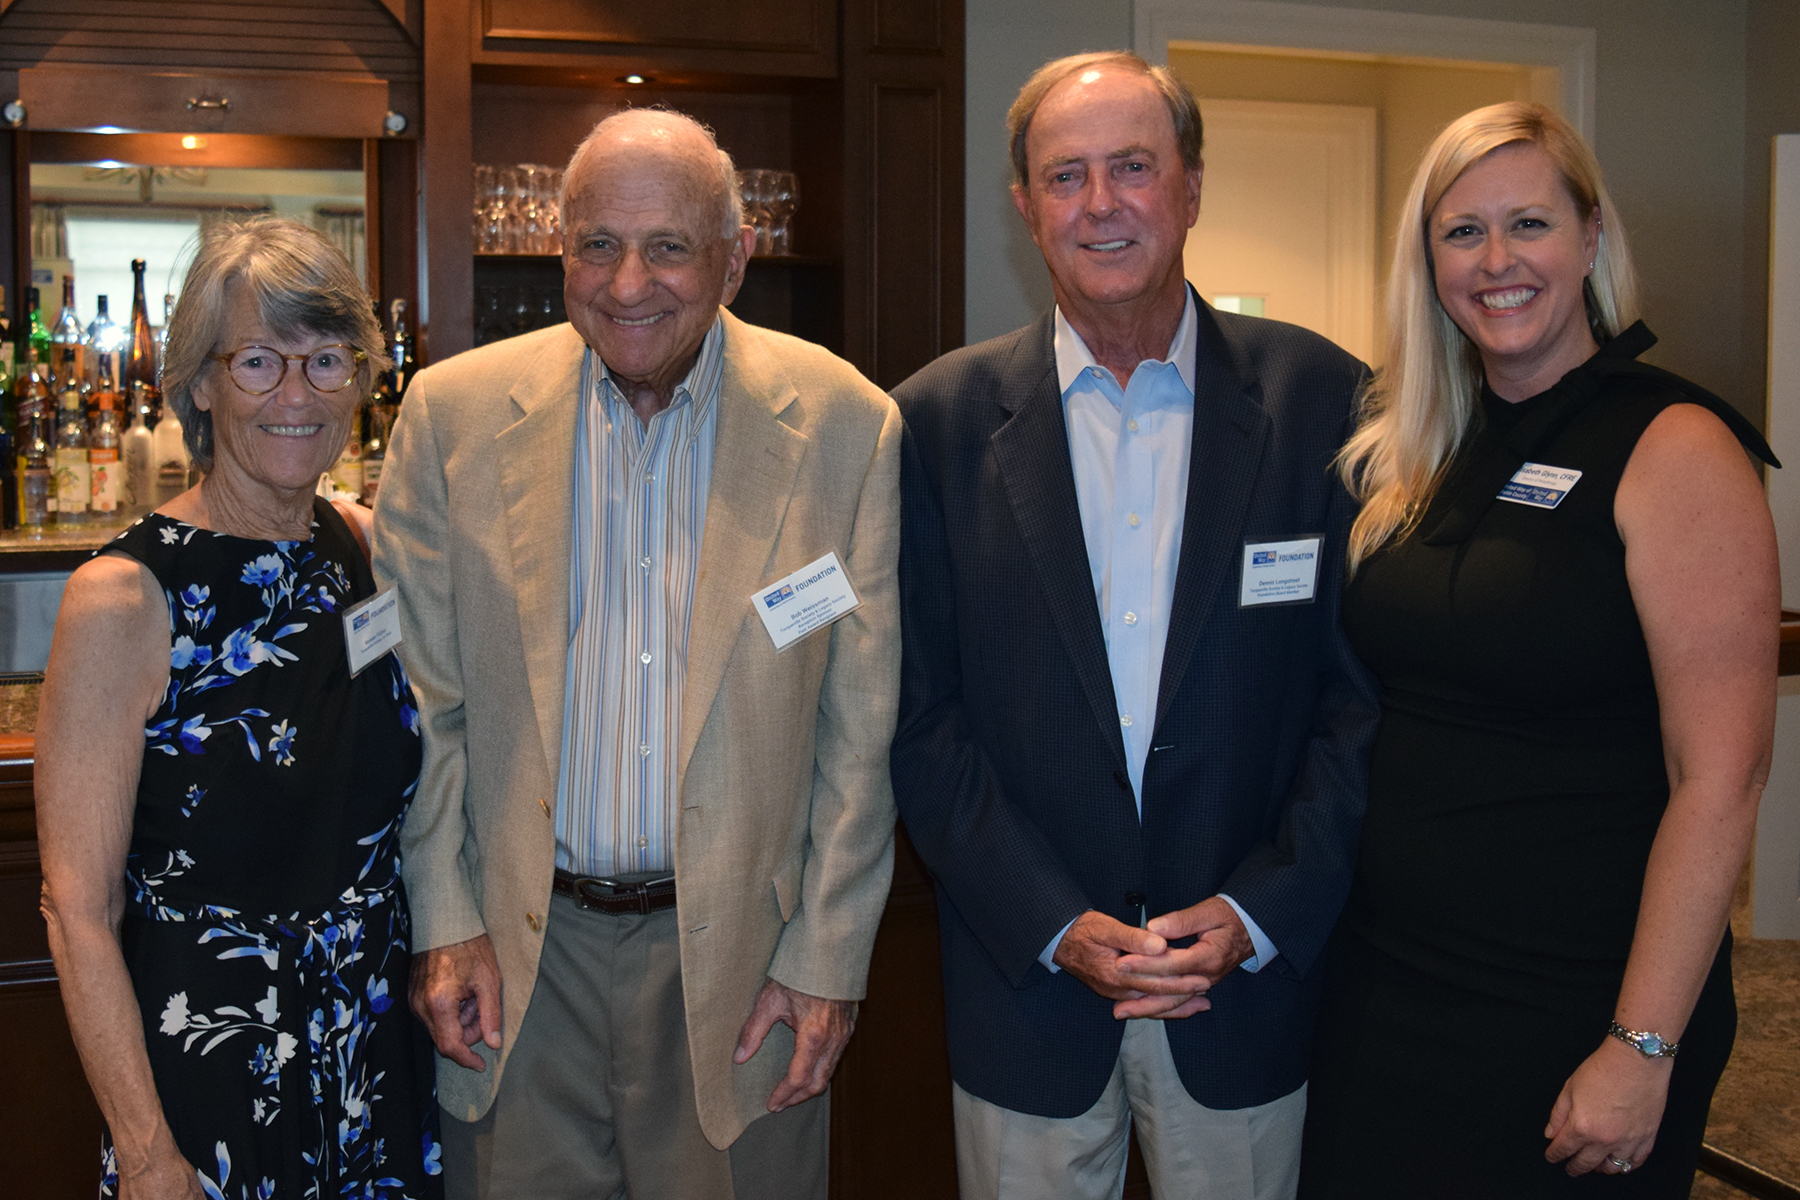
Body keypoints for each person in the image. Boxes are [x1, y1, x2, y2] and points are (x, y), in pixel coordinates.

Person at [372, 107, 901, 1200]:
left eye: (668, 247)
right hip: (520, 965)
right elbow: (423, 700)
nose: (627, 285)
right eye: (597, 245)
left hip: (747, 967)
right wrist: (445, 919)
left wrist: (826, 959)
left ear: (734, 258)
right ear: (558, 248)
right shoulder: (453, 418)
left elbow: (860, 732)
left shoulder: (847, 426)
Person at [889, 51, 1380, 1200]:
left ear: (1192, 187)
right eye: (1066, 176)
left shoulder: (1330, 403)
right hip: (1031, 990)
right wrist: (1053, 920)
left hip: (1247, 989)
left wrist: (1262, 909)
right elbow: (919, 716)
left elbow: (1360, 702)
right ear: (1025, 205)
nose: (1100, 204)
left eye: (1133, 168)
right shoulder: (936, 423)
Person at [1296, 102, 1780, 1198]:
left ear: (1592, 240)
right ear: (1427, 264)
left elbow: (1723, 778)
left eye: (1530, 224)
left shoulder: (1676, 447)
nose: (1497, 260)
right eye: (1461, 232)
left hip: (1579, 1001)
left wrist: (1641, 1045)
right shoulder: (1415, 454)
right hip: (1389, 990)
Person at [35, 216, 441, 1200]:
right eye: (259, 361)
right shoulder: (126, 597)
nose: (296, 395)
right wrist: (144, 1151)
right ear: (201, 384)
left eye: (326, 360)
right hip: (209, 1069)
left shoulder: (361, 547)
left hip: (369, 1053)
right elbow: (77, 909)